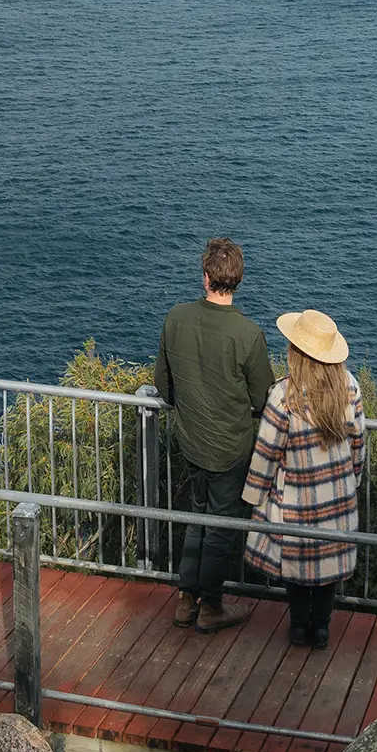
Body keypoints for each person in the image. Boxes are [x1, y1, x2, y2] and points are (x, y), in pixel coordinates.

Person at [152, 237, 273, 635]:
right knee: (221, 528)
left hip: (190, 441)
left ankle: (186, 599)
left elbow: (164, 386)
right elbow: (263, 397)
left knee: (195, 518)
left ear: (205, 278)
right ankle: (211, 605)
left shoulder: (176, 318)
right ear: (237, 280)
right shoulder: (248, 334)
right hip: (230, 448)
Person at [241, 309, 367, 649]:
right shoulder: (349, 386)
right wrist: (351, 478)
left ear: (297, 352)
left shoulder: (285, 396)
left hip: (297, 496)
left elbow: (267, 449)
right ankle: (322, 627)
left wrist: (254, 494)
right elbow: (358, 441)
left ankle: (299, 626)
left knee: (296, 563)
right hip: (336, 493)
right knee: (327, 561)